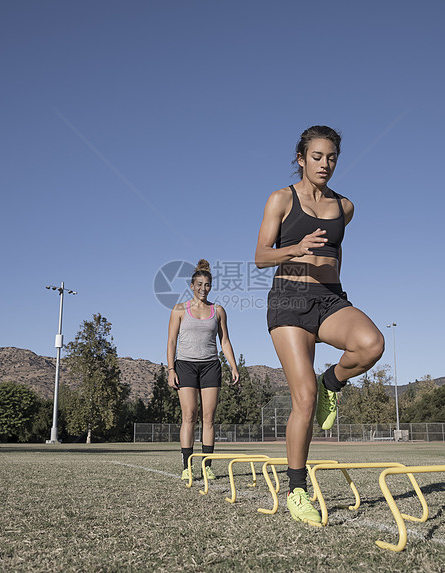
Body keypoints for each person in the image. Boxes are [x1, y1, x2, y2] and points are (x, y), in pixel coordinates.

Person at [254, 125, 384, 524]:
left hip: (328, 298)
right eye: (317, 157)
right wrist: (294, 249)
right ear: (301, 158)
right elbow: (260, 255)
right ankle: (296, 490)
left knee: (370, 344)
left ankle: (334, 383)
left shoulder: (345, 207)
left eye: (331, 158)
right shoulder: (281, 198)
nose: (325, 164)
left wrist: (335, 290)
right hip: (289, 300)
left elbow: (337, 251)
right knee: (303, 397)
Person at [167, 259, 239, 482]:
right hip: (185, 365)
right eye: (199, 284)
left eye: (207, 285)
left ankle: (207, 465)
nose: (203, 289)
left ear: (211, 286)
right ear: (191, 286)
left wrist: (233, 366)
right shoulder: (179, 309)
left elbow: (224, 341)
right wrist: (171, 369)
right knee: (189, 415)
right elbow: (171, 342)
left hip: (210, 366)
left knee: (208, 418)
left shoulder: (218, 310)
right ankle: (187, 465)